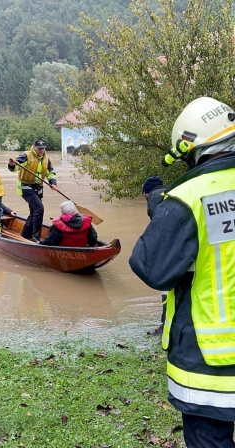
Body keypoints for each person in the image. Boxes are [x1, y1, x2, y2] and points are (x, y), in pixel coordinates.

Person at [129, 96, 235, 448]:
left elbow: (152, 268)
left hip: (212, 364)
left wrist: (164, 213)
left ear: (193, 150)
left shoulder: (188, 197)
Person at [8, 139, 58, 242]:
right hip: (25, 187)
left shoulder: (46, 159)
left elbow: (50, 172)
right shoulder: (26, 155)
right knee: (39, 208)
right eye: (39, 148)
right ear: (34, 147)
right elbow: (16, 167)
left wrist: (53, 183)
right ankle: (36, 237)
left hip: (38, 188)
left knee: (34, 211)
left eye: (43, 148)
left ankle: (26, 234)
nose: (41, 150)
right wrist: (12, 164)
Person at [141, 176, 167, 335]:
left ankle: (165, 327)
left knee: (166, 289)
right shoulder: (172, 192)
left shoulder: (153, 199)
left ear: (146, 193)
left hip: (170, 250)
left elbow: (159, 228)